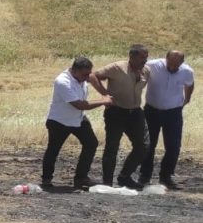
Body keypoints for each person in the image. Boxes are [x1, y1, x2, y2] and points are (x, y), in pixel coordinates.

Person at [43, 57, 112, 190]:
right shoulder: (62, 82)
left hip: (79, 119)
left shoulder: (83, 75)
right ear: (74, 71)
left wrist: (105, 93)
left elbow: (92, 77)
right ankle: (46, 179)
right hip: (60, 121)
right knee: (53, 149)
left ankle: (81, 178)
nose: (87, 77)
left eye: (88, 74)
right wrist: (103, 101)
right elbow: (79, 105)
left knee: (91, 143)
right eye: (84, 75)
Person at [88, 44, 150, 189]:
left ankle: (124, 177)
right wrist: (105, 95)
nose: (145, 60)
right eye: (142, 57)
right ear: (132, 56)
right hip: (116, 112)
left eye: (146, 57)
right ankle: (107, 182)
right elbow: (93, 76)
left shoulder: (146, 71)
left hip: (135, 112)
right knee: (112, 147)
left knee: (143, 146)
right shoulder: (117, 68)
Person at [141, 50, 194, 189]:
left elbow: (189, 84)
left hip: (173, 113)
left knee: (173, 146)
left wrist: (186, 99)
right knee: (148, 145)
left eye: (176, 65)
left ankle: (166, 177)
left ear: (182, 63)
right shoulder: (152, 65)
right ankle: (144, 176)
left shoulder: (187, 71)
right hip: (152, 110)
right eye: (170, 64)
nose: (172, 67)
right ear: (166, 59)